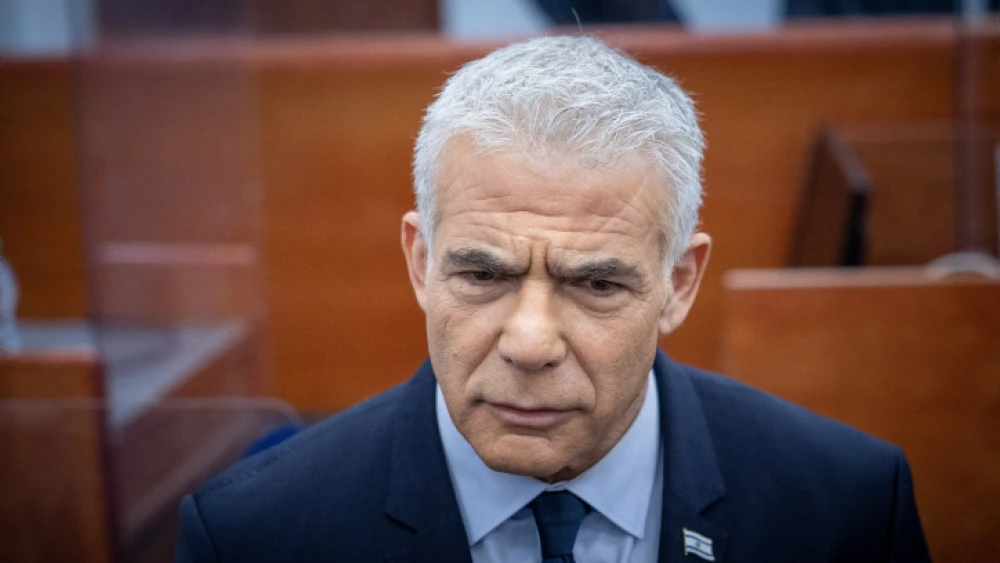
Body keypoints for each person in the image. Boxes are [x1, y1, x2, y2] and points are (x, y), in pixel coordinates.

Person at [175, 36, 931, 563]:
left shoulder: (849, 508)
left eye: (596, 284)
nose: (530, 343)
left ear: (679, 283)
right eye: (483, 275)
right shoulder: (252, 537)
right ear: (421, 262)